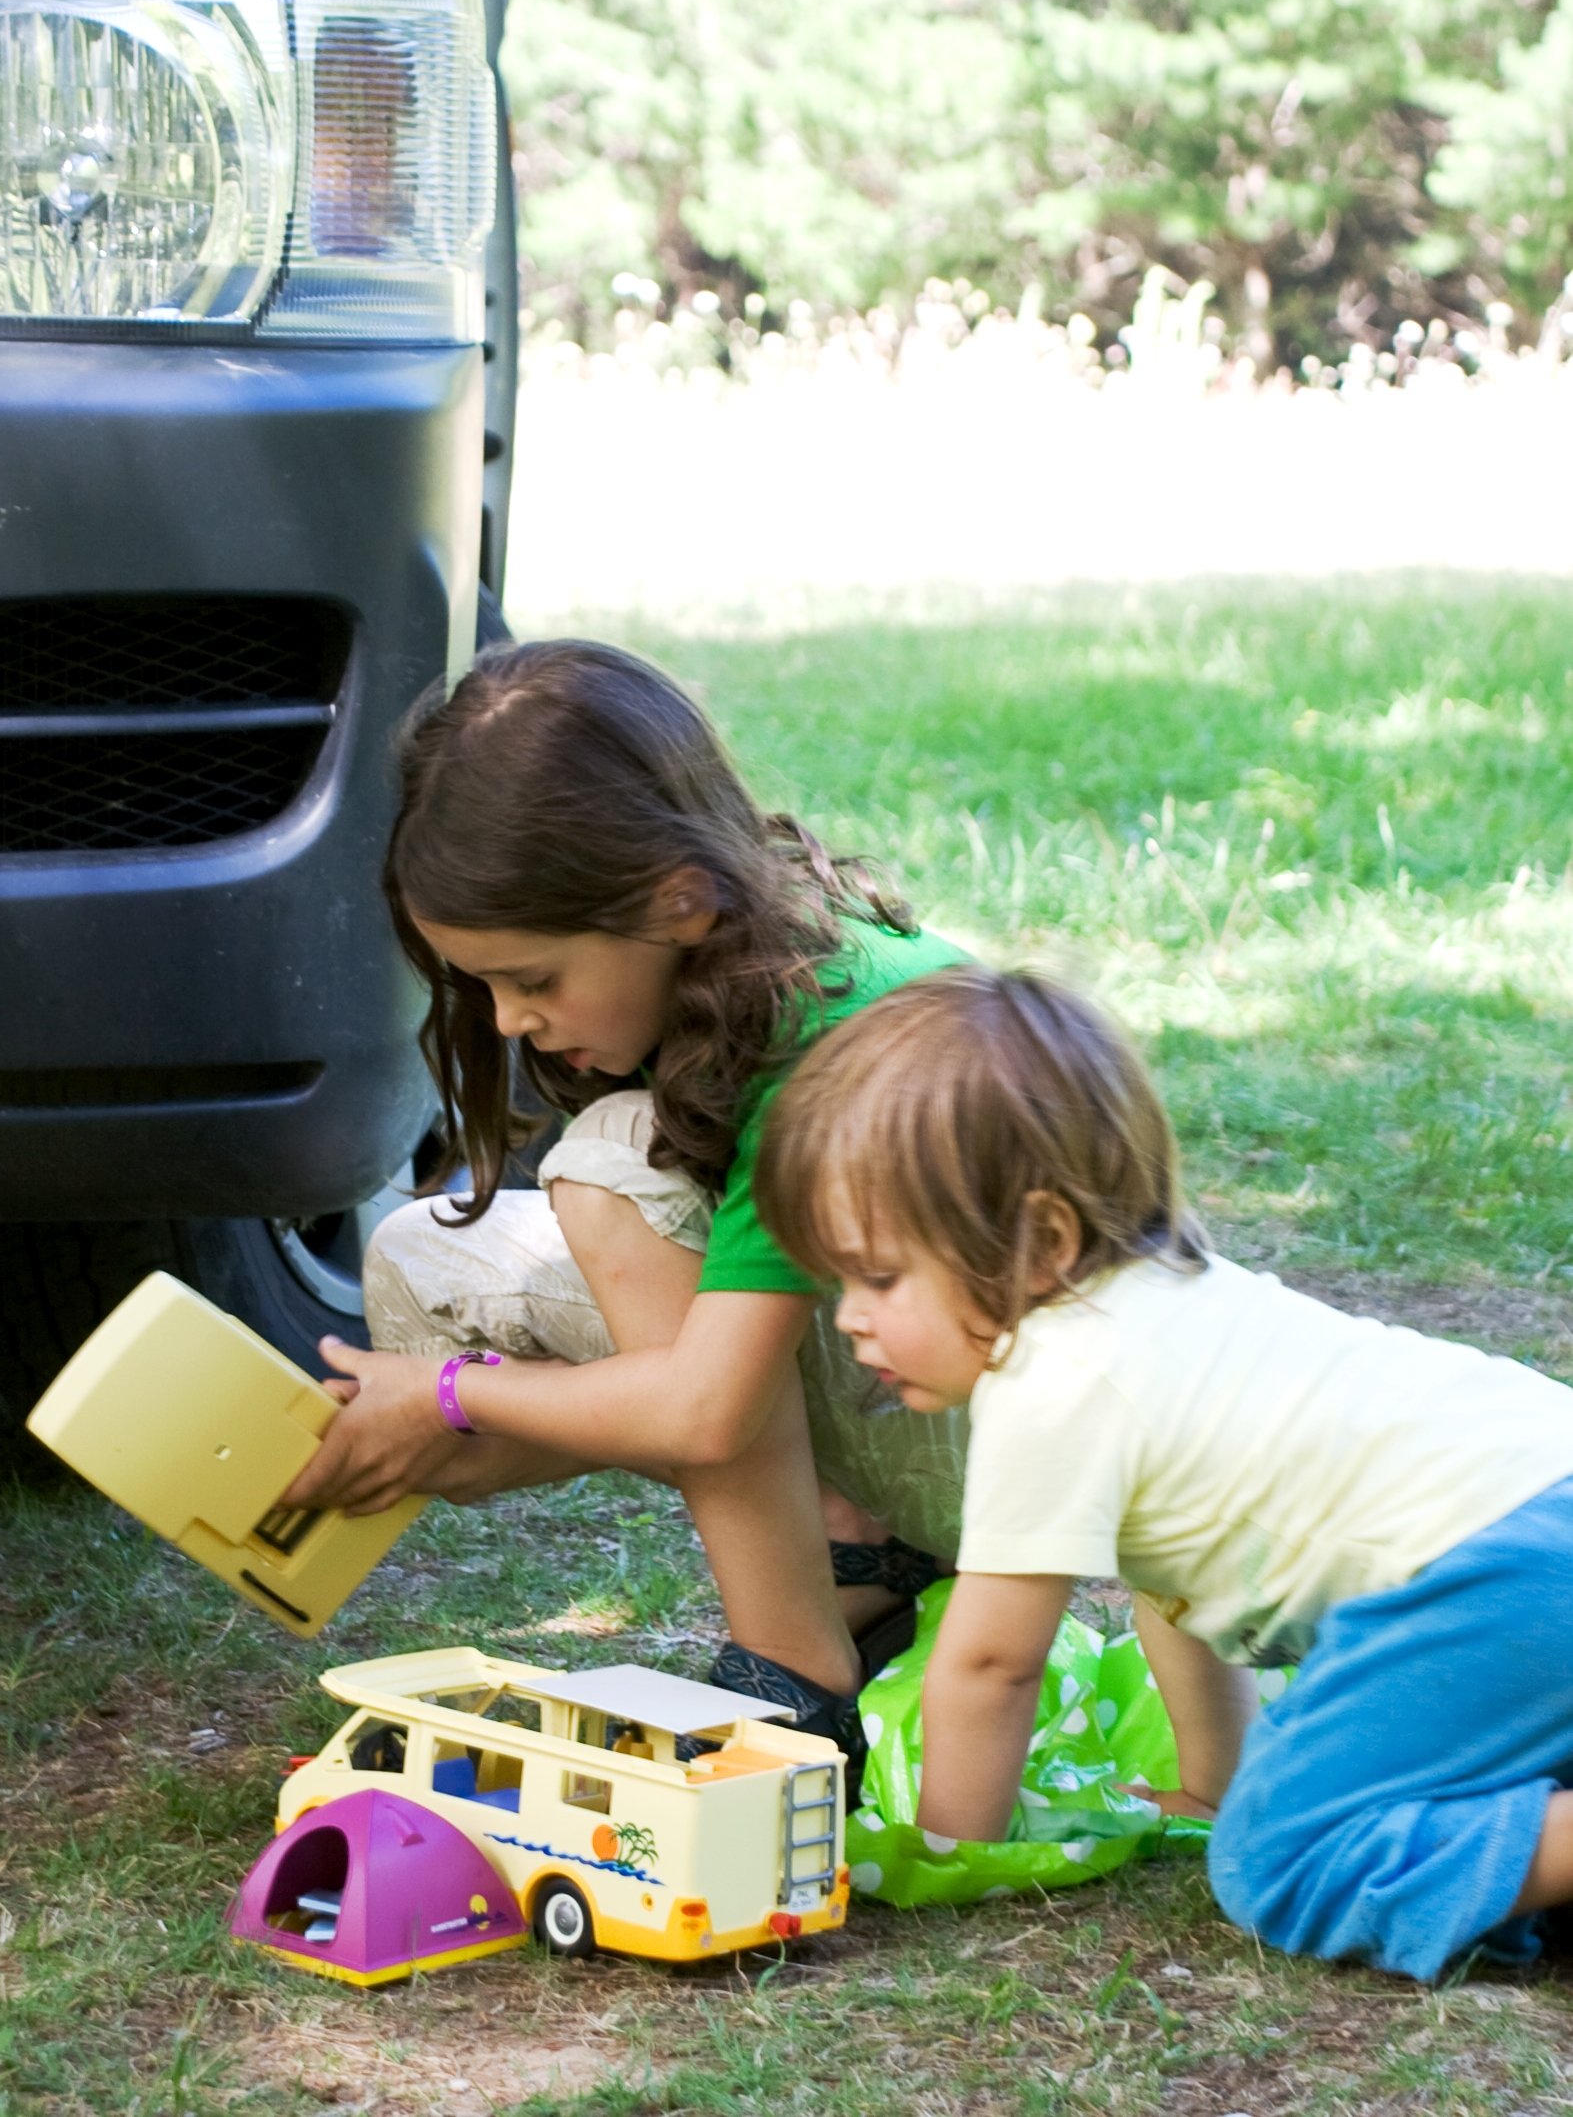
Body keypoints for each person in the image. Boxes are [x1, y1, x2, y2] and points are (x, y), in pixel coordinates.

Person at [756, 965, 1573, 1980]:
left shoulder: (1052, 1378)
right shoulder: (1174, 1306)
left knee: (1284, 1857)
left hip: (1499, 1572)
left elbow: (991, 1661)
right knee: (1380, 1797)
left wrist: (947, 1857)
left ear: (1043, 1241)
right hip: (1540, 1520)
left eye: (879, 1276)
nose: (849, 1316)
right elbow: (1180, 1597)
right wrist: (1212, 1783)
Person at [281, 640, 971, 1753]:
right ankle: (857, 1557)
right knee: (422, 1257)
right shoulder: (733, 958)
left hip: (996, 1426)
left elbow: (704, 1411)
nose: (506, 1020)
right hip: (876, 1380)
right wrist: (432, 1425)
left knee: (608, 1163)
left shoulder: (818, 1041)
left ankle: (799, 1670)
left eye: (534, 979)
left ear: (679, 900)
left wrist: (454, 1394)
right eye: (483, 985)